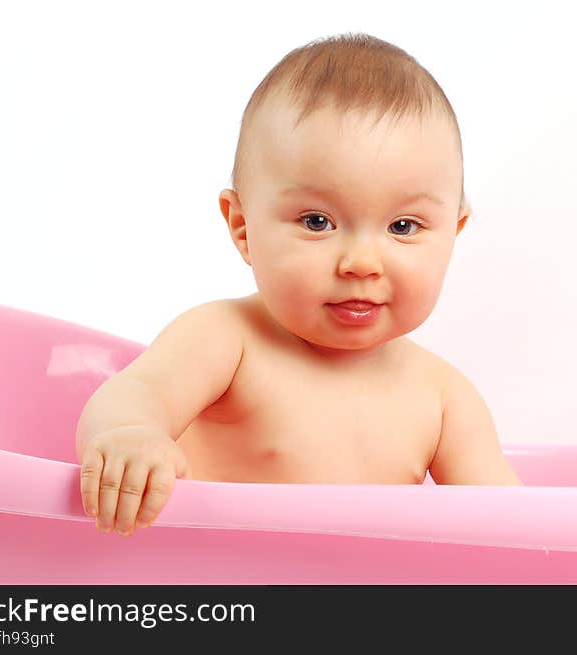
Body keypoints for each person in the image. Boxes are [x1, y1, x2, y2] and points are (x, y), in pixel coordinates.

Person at [76, 32, 521, 537]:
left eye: (402, 227)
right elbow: (135, 393)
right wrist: (131, 435)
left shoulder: (444, 398)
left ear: (454, 233)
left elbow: (515, 529)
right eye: (316, 221)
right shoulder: (226, 340)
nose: (360, 263)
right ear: (243, 227)